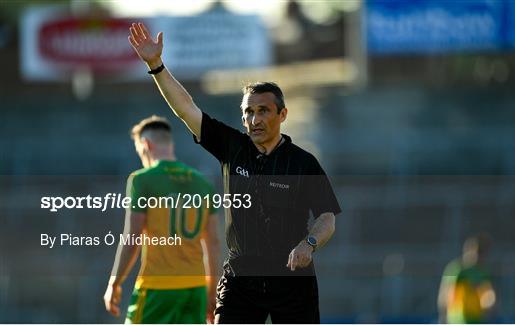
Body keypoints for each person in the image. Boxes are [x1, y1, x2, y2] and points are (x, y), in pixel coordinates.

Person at [128, 22, 341, 323]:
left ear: (282, 115)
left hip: (293, 278)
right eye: (248, 112)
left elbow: (327, 218)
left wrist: (308, 244)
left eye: (263, 111)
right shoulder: (233, 147)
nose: (254, 119)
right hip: (241, 278)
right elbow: (186, 109)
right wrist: (156, 65)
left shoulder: (303, 163)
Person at [103, 115, 220, 323]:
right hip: (195, 290)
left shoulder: (142, 179)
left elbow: (132, 238)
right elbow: (213, 243)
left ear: (146, 145)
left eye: (140, 151)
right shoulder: (203, 184)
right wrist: (211, 293)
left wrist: (114, 283)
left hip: (158, 288)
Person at [438, 235, 496, 323]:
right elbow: (445, 293)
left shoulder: (483, 272)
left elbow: (488, 292)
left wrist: (490, 302)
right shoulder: (455, 269)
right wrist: (443, 316)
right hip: (457, 318)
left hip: (476, 318)